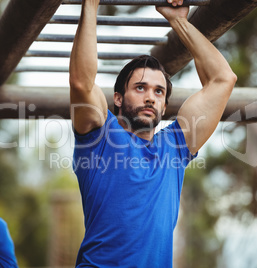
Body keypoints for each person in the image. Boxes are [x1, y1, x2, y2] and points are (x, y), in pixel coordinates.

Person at [69, 0, 237, 266]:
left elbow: (223, 79)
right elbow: (81, 82)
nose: (150, 97)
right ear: (118, 99)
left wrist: (179, 21)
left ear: (165, 104)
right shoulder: (100, 138)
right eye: (140, 88)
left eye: (158, 91)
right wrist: (90, 4)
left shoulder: (175, 147)